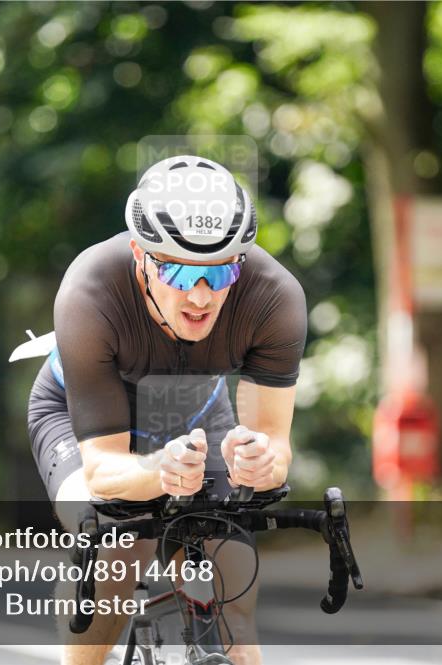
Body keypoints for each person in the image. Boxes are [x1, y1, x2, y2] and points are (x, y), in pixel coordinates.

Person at [25, 155, 307, 665]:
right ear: (140, 254)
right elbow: (104, 471)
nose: (200, 295)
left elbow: (275, 447)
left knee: (234, 588)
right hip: (80, 421)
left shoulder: (274, 297)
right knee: (118, 549)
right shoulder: (90, 291)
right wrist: (158, 472)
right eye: (177, 269)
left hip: (196, 417)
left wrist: (261, 462)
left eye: (219, 272)